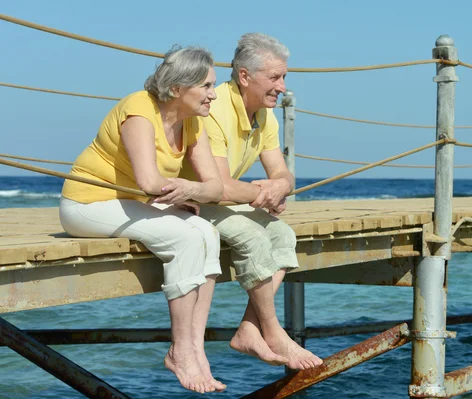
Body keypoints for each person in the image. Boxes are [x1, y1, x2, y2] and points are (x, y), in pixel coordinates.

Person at [59, 46, 226, 394]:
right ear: (178, 88)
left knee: (207, 232)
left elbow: (215, 188)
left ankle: (195, 347)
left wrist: (188, 189)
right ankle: (180, 351)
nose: (214, 94)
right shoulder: (139, 110)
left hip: (128, 203)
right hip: (86, 204)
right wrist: (189, 190)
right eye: (207, 86)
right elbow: (150, 183)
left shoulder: (192, 121)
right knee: (185, 237)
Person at [180, 33, 323, 370]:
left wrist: (279, 188)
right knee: (252, 236)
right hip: (192, 199)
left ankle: (248, 328)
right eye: (275, 77)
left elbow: (283, 175)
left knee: (283, 235)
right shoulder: (214, 110)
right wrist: (264, 193)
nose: (283, 86)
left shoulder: (264, 115)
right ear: (244, 77)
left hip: (221, 200)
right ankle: (273, 332)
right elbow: (219, 187)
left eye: (284, 76)